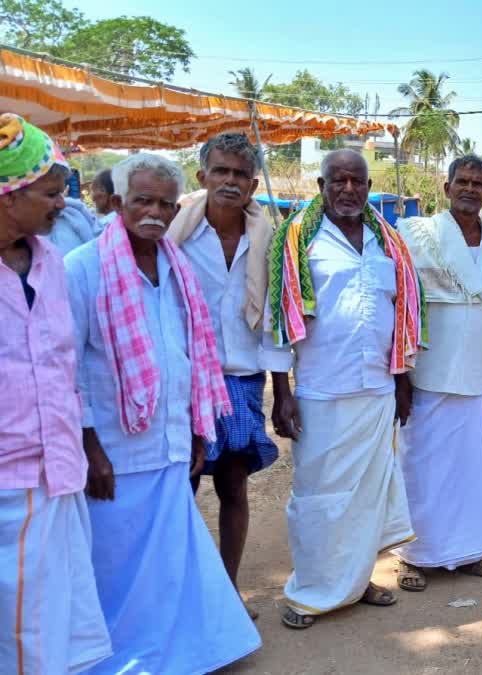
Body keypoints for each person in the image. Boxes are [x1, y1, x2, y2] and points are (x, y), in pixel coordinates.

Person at [64, 153, 260, 673]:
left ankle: (178, 652)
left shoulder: (176, 265)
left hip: (170, 439)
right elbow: (68, 365)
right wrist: (88, 445)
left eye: (165, 204)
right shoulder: (82, 267)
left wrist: (196, 429)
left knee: (169, 562)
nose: (154, 212)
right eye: (142, 201)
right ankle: (118, 657)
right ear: (115, 203)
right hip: (114, 449)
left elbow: (187, 353)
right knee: (117, 565)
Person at [262, 149, 422, 628]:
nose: (349, 189)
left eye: (358, 181)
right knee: (317, 496)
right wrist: (283, 391)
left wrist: (402, 382)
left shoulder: (387, 242)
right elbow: (277, 321)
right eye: (339, 180)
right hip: (320, 390)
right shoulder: (296, 241)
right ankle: (310, 590)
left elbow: (400, 317)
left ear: (369, 187)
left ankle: (356, 582)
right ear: (321, 184)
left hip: (376, 389)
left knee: (369, 494)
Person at [0, 113, 112, 674]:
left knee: (51, 619)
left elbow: (66, 368)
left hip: (55, 474)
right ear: (8, 193)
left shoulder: (49, 264)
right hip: (6, 482)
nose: (63, 204)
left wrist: (86, 443)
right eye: (50, 192)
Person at [393, 154, 482, 589]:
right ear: (446, 189)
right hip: (428, 371)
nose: (469, 188)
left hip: (480, 374)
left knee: (471, 468)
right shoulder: (417, 234)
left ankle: (467, 550)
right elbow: (401, 308)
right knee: (422, 465)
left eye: (478, 183)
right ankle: (417, 555)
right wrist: (401, 377)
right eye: (461, 181)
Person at [167, 132, 278, 619]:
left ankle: (228, 593)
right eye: (221, 171)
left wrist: (284, 390)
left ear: (253, 184)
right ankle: (186, 593)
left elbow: (275, 315)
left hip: (243, 379)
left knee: (233, 486)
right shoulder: (177, 235)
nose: (230, 181)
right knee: (183, 489)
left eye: (239, 174)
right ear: (202, 177)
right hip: (188, 380)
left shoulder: (267, 238)